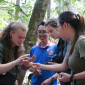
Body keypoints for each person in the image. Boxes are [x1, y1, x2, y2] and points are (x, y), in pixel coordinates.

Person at [32, 11, 85, 85]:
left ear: (66, 26)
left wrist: (72, 77)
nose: (58, 31)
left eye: (58, 26)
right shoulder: (71, 44)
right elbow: (63, 66)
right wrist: (40, 66)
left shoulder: (81, 41)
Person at [41, 18, 71, 85]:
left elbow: (71, 64)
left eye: (51, 31)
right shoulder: (60, 42)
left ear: (58, 27)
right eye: (48, 32)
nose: (49, 34)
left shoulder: (70, 41)